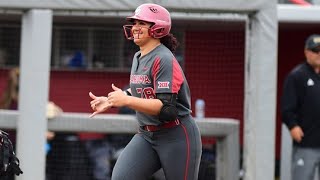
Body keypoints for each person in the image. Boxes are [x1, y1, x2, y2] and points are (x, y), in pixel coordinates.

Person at [89, 3, 202, 180]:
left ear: (158, 28)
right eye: (134, 23)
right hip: (147, 135)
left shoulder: (163, 58)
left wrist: (126, 101)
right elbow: (142, 90)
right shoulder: (138, 56)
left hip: (177, 136)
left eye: (142, 23)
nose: (135, 28)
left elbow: (167, 110)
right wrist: (113, 100)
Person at [281, 34, 320, 180]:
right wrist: (293, 126)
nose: (319, 54)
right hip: (306, 144)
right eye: (315, 50)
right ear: (306, 52)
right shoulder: (297, 76)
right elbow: (287, 108)